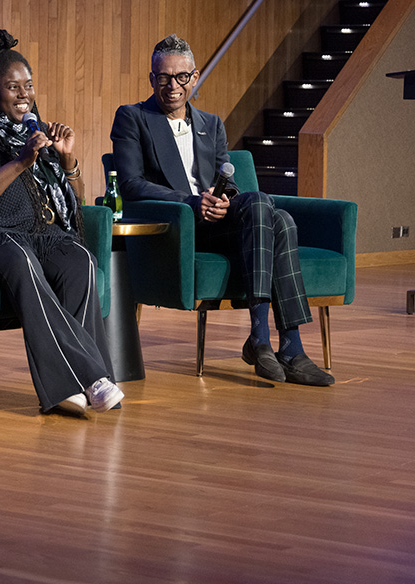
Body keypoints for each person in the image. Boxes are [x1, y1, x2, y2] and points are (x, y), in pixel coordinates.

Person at [0, 29, 124, 416]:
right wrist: (20, 163)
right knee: (19, 257)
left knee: (78, 257)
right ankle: (88, 376)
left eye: (28, 85)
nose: (23, 94)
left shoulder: (32, 133)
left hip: (33, 233)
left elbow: (73, 202)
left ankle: (79, 380)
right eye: (12, 87)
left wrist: (65, 160)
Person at [110, 33, 334, 386]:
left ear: (194, 77)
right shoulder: (133, 118)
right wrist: (190, 202)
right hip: (180, 226)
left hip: (220, 222)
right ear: (152, 78)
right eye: (164, 77)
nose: (173, 86)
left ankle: (270, 342)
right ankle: (284, 345)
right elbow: (131, 184)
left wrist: (223, 198)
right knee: (280, 219)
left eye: (181, 77)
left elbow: (225, 178)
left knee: (272, 213)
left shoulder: (211, 124)